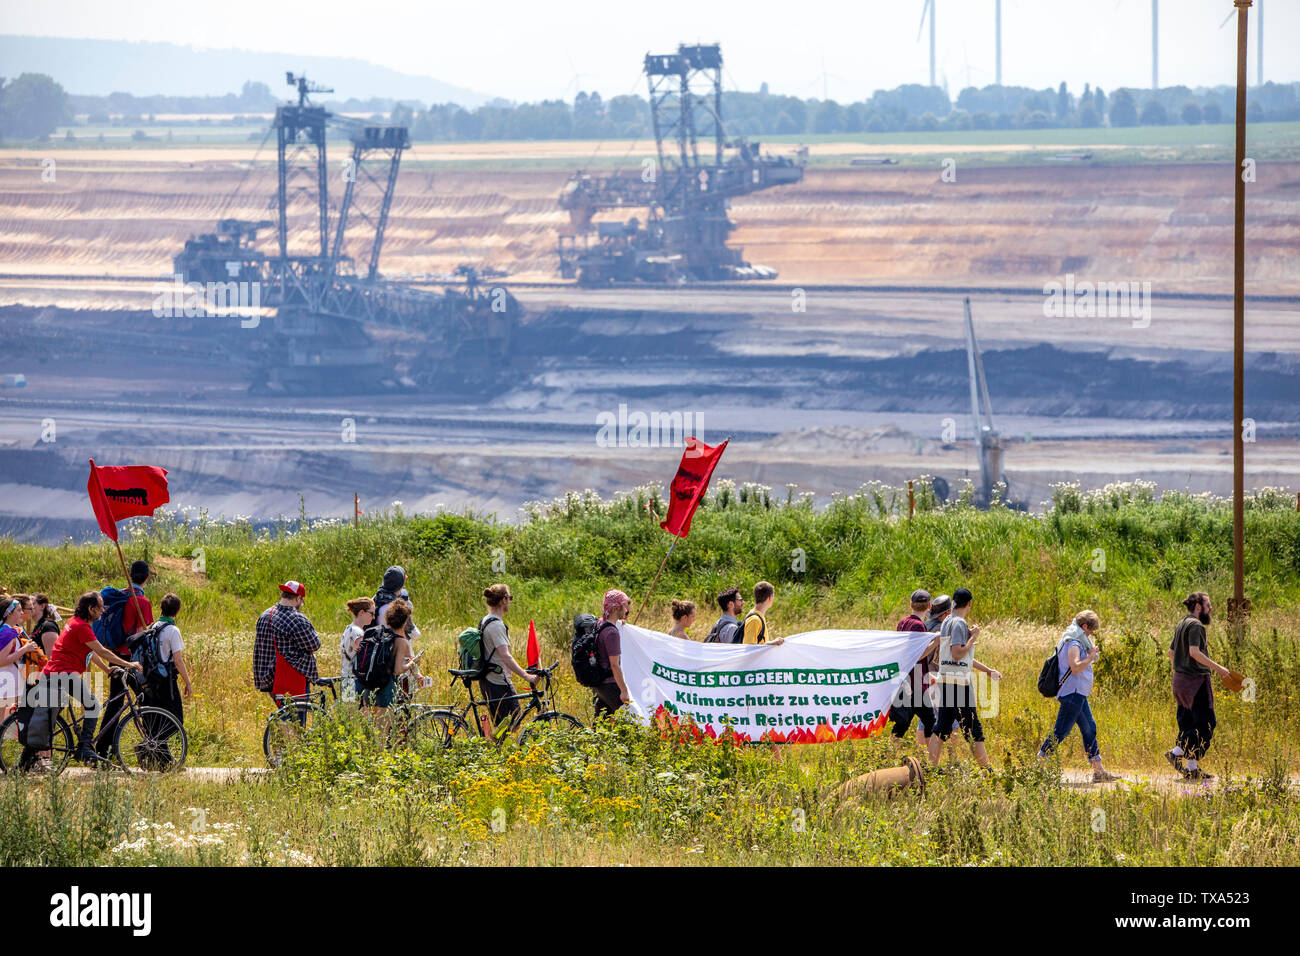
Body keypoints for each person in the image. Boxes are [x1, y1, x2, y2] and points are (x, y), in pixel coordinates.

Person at [22, 591, 142, 768]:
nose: (103, 611)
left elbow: (90, 651)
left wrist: (106, 668)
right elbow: (102, 651)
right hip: (64, 673)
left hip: (56, 673)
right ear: (91, 608)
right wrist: (128, 664)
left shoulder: (74, 623)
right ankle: (85, 747)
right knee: (93, 704)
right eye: (101, 607)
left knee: (51, 715)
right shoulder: (81, 627)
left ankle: (29, 757)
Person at [1036, 610, 1118, 782]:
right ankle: (1038, 768)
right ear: (1084, 626)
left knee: (1090, 727)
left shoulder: (1078, 639)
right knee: (1060, 732)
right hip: (1072, 693)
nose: (1091, 634)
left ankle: (1099, 772)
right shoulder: (1073, 641)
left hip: (1078, 693)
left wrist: (1090, 654)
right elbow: (1075, 667)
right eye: (1091, 631)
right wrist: (1090, 657)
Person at [930, 588, 1001, 768]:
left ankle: (929, 768)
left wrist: (987, 670)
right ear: (969, 603)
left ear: (954, 602)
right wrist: (974, 637)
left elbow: (962, 656)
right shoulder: (959, 623)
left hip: (945, 679)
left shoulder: (947, 621)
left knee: (942, 727)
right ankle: (988, 772)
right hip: (958, 683)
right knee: (973, 727)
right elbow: (958, 653)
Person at [1165, 591, 1230, 781]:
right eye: (1208, 605)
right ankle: (1176, 751)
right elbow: (1194, 652)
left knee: (1188, 723)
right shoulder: (1196, 626)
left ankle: (1192, 767)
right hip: (1195, 682)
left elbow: (1171, 652)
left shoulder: (1182, 624)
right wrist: (1218, 668)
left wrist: (1180, 669)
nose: (1210, 608)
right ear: (1199, 606)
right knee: (1207, 723)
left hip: (1180, 681)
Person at [95, 560, 154, 759]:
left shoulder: (118, 596)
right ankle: (154, 747)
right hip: (131, 660)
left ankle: (103, 750)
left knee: (116, 702)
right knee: (146, 700)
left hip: (114, 656)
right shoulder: (142, 602)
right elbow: (141, 632)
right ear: (147, 577)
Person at [476, 584, 541, 732]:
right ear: (503, 600)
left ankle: (492, 747)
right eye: (509, 598)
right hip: (498, 680)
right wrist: (527, 676)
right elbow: (505, 655)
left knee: (502, 725)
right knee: (514, 721)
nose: (510, 601)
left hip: (487, 679)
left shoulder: (485, 620)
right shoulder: (496, 625)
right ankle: (490, 744)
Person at [139, 592, 192, 767]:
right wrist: (187, 682)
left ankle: (163, 760)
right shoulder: (172, 630)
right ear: (177, 611)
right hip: (167, 681)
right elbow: (177, 660)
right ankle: (147, 747)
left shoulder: (153, 626)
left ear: (161, 608)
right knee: (176, 720)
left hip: (151, 680)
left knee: (159, 719)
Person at [252, 581, 322, 715]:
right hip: (290, 678)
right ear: (298, 598)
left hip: (269, 679)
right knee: (295, 721)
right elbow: (314, 644)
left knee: (285, 715)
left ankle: (278, 734)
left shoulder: (265, 615)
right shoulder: (296, 618)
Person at [889, 590, 940, 751]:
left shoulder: (903, 622)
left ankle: (888, 756)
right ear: (929, 606)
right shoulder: (918, 626)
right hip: (916, 683)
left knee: (903, 723)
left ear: (911, 605)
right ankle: (931, 763)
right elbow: (916, 656)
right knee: (931, 722)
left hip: (905, 680)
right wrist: (935, 641)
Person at [357, 598, 416, 716]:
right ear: (405, 622)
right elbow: (398, 670)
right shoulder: (401, 642)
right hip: (386, 689)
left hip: (369, 686)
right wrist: (412, 663)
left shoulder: (378, 634)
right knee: (382, 731)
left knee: (369, 729)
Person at [593, 589, 632, 718]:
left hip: (599, 684)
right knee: (630, 722)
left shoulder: (600, 624)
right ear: (617, 608)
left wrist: (621, 621)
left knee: (601, 725)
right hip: (610, 685)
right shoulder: (612, 633)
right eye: (624, 606)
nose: (626, 610)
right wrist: (624, 691)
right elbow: (614, 665)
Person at [0, 597, 34, 714]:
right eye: (19, 610)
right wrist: (25, 649)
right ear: (9, 613)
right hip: (4, 682)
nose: (22, 613)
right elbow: (2, 660)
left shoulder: (8, 629)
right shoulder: (7, 632)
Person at [339, 597, 375, 704]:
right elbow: (365, 657)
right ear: (362, 612)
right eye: (371, 614)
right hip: (354, 680)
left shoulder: (349, 628)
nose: (373, 618)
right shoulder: (357, 632)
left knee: (349, 716)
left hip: (347, 677)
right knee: (354, 717)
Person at [740, 582, 785, 646]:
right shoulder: (754, 620)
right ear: (770, 597)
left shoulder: (758, 616)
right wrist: (773, 643)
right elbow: (749, 648)